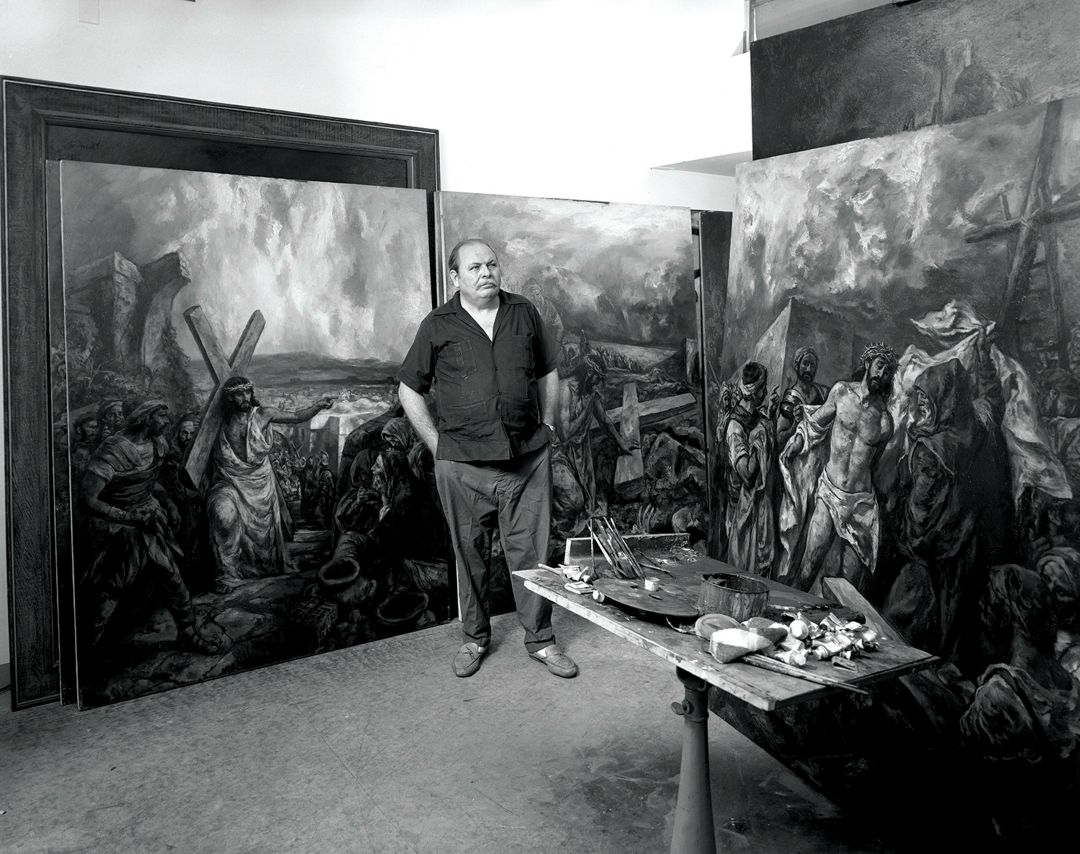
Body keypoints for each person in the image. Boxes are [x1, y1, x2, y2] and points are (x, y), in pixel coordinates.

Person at [397, 238, 577, 678]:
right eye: (475, 267)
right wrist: (438, 446)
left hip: (526, 459)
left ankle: (541, 641)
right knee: (470, 555)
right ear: (455, 277)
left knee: (531, 555)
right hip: (462, 465)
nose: (487, 273)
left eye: (492, 264)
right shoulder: (438, 324)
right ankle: (474, 640)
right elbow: (408, 388)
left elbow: (548, 369)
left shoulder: (523, 313)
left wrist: (548, 424)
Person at [78, 400, 222, 653]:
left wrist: (168, 504)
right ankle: (84, 651)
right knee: (110, 590)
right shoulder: (114, 450)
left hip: (150, 523)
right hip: (119, 530)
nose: (167, 422)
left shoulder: (159, 444)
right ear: (147, 418)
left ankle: (188, 632)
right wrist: (128, 518)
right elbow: (88, 500)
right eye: (162, 416)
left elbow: (150, 484)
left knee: (172, 578)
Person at [780, 343, 898, 592]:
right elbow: (815, 423)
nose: (882, 374)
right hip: (830, 494)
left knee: (848, 583)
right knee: (808, 568)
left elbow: (872, 464)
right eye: (879, 366)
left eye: (888, 371)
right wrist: (798, 441)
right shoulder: (841, 393)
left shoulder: (885, 421)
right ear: (867, 363)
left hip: (861, 507)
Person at [206, 376, 334, 592]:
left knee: (263, 539)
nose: (245, 397)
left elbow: (295, 416)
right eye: (239, 393)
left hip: (260, 486)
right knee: (222, 514)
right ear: (229, 397)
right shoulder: (218, 423)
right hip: (229, 481)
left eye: (248, 392)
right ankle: (227, 573)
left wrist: (318, 406)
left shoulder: (262, 415)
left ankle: (260, 569)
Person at [723, 362, 778, 575]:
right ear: (755, 392)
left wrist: (770, 416)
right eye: (763, 387)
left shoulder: (758, 418)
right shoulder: (735, 427)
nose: (766, 392)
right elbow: (746, 473)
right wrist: (761, 437)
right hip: (742, 511)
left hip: (757, 505)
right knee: (745, 569)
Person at [776, 346, 830, 450]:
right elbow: (779, 438)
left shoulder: (822, 392)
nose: (809, 369)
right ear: (797, 365)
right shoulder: (791, 399)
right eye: (805, 364)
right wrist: (795, 425)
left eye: (812, 365)